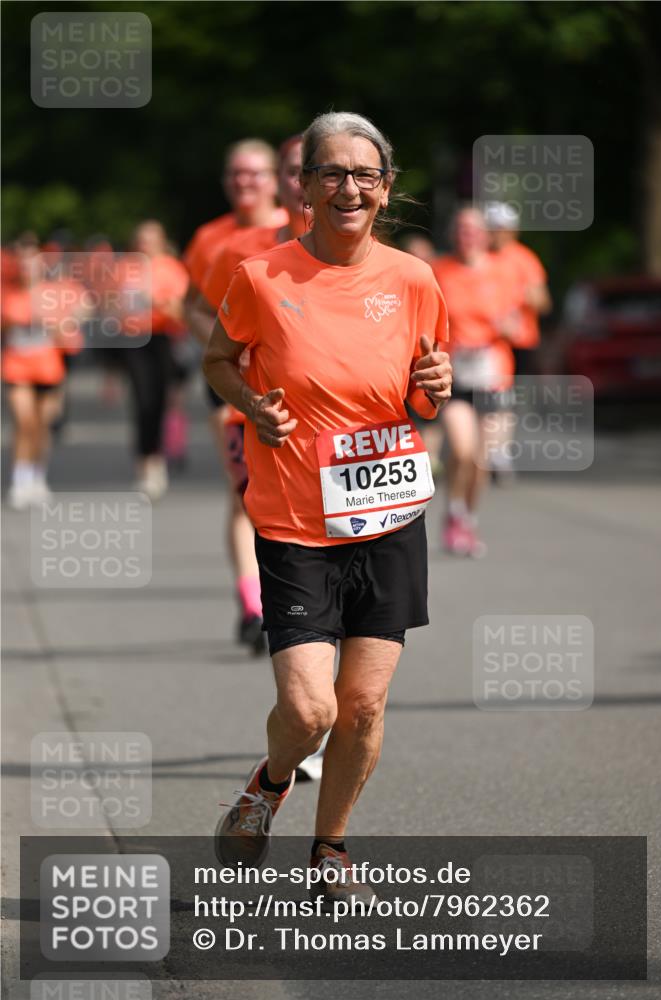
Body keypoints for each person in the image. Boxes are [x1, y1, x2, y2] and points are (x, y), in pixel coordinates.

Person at [203, 111, 451, 903]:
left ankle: (331, 850)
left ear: (385, 189)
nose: (349, 188)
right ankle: (268, 786)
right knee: (310, 708)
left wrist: (434, 391)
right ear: (305, 187)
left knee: (364, 704)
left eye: (365, 175)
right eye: (332, 173)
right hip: (294, 521)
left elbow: (420, 390)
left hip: (388, 515)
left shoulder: (413, 279)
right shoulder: (260, 276)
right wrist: (251, 403)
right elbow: (218, 358)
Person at [184, 139, 287, 651]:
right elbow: (193, 306)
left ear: (277, 178)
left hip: (296, 387)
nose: (244, 183)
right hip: (233, 389)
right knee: (245, 492)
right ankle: (253, 603)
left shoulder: (307, 231)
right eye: (235, 174)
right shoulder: (213, 239)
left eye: (255, 174)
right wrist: (228, 349)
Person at [431, 207, 515, 556]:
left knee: (482, 460)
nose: (468, 235)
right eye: (462, 229)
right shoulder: (439, 271)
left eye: (474, 229)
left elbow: (520, 320)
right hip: (456, 374)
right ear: (454, 234)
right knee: (463, 450)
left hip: (493, 374)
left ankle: (467, 517)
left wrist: (509, 326)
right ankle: (453, 512)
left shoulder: (502, 271)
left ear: (485, 235)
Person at [2, 239, 86, 508]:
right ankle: (20, 478)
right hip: (16, 365)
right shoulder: (8, 293)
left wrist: (56, 323)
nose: (27, 266)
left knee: (42, 425)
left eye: (32, 261)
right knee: (24, 421)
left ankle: (38, 476)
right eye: (22, 261)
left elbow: (74, 322)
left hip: (48, 367)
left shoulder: (54, 292)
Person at [115, 221, 189, 499]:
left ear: (160, 241)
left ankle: (156, 461)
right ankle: (145, 464)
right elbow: (111, 304)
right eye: (141, 239)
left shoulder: (171, 268)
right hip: (133, 339)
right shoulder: (125, 268)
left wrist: (155, 302)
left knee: (158, 401)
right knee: (141, 400)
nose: (145, 245)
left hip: (163, 338)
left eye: (150, 239)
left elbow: (182, 311)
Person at [484, 201, 551, 378]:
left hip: (521, 341)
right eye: (490, 228)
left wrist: (526, 297)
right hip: (488, 340)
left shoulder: (525, 259)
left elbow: (544, 303)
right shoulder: (480, 257)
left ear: (511, 230)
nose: (493, 233)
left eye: (498, 228)